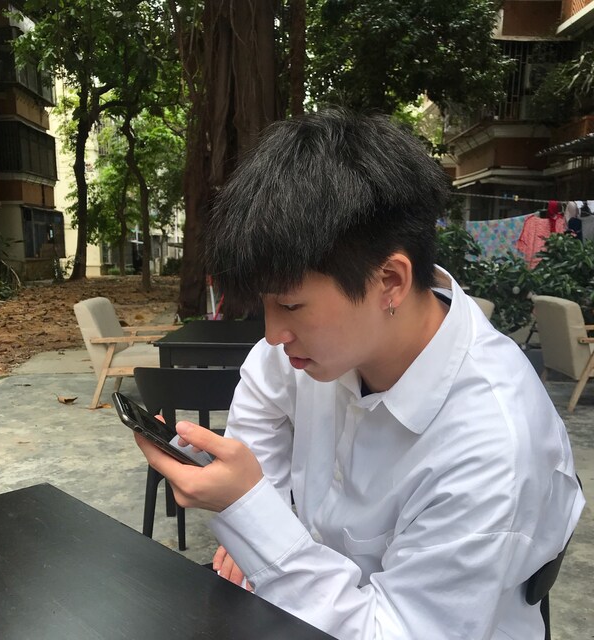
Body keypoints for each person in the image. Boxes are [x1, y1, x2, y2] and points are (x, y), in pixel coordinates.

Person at [135, 109, 585, 639]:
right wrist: (259, 515)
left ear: (390, 281)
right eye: (266, 305)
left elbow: (394, 630)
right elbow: (263, 385)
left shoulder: (493, 448)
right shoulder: (325, 346)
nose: (274, 334)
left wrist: (251, 516)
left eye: (291, 306)